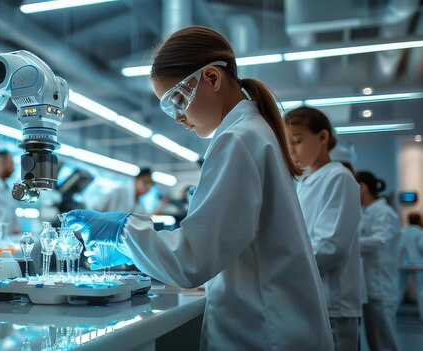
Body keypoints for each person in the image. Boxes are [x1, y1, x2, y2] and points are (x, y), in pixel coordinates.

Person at [65, 26, 334, 350]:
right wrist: (129, 249)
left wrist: (122, 231)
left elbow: (191, 258)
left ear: (212, 78)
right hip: (275, 324)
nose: (178, 118)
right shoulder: (251, 132)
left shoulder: (237, 139)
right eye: (169, 107)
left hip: (266, 333)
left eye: (177, 100)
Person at [285, 107, 362, 351]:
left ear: (322, 138)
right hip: (309, 296)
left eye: (297, 141)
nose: (292, 150)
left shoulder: (339, 177)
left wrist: (283, 272)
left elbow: (331, 246)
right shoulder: (303, 182)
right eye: (288, 143)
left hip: (333, 300)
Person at [356, 170, 401, 351]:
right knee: (376, 343)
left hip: (380, 288)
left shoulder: (384, 212)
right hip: (369, 289)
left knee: (384, 345)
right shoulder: (367, 212)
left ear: (363, 187)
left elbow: (380, 240)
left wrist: (349, 244)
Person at [90, 168, 155, 214]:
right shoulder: (119, 191)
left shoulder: (141, 206)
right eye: (146, 182)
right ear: (136, 180)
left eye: (151, 184)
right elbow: (95, 208)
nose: (148, 186)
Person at [399, 212, 423, 317]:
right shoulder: (420, 232)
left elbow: (399, 247)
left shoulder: (402, 231)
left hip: (403, 264)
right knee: (421, 290)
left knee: (399, 289)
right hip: (418, 265)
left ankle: (392, 313)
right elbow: (421, 246)